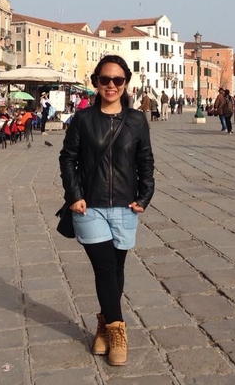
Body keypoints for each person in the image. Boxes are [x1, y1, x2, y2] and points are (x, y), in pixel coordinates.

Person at [59, 55, 155, 367]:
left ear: (125, 83)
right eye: (105, 79)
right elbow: (68, 158)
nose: (111, 85)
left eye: (117, 80)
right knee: (104, 268)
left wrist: (145, 195)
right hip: (90, 206)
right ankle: (118, 332)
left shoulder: (137, 121)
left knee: (116, 269)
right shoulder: (83, 119)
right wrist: (74, 195)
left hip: (126, 206)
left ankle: (103, 326)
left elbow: (145, 161)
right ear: (96, 82)